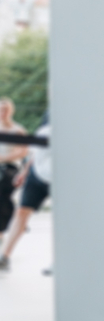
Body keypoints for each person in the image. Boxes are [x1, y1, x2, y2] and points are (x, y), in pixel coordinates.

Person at [0, 116, 48, 272]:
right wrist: (26, 171)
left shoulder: (17, 129)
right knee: (22, 210)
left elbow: (24, 150)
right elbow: (38, 149)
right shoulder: (48, 116)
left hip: (56, 173)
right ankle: (5, 257)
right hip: (37, 172)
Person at [0, 98, 26, 238]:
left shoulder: (17, 130)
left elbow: (23, 151)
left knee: (2, 194)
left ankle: (2, 230)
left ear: (11, 111)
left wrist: (3, 158)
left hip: (9, 168)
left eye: (5, 110)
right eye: (0, 110)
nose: (2, 113)